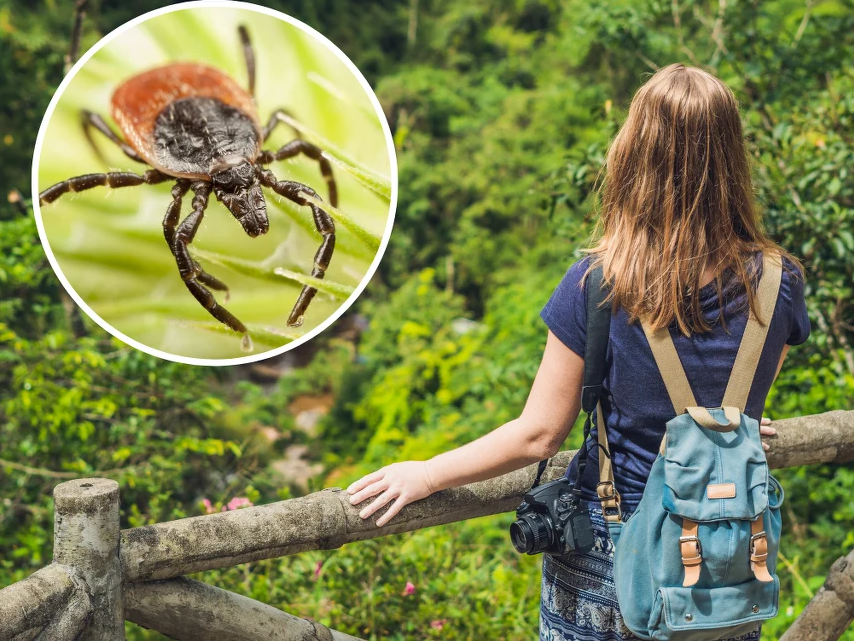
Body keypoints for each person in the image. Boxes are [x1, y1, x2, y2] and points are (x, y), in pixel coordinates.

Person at [345, 63, 811, 640]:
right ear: (731, 156)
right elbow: (742, 401)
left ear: (634, 153)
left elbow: (540, 435)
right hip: (725, 554)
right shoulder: (777, 281)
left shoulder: (600, 283)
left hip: (613, 554)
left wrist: (426, 474)